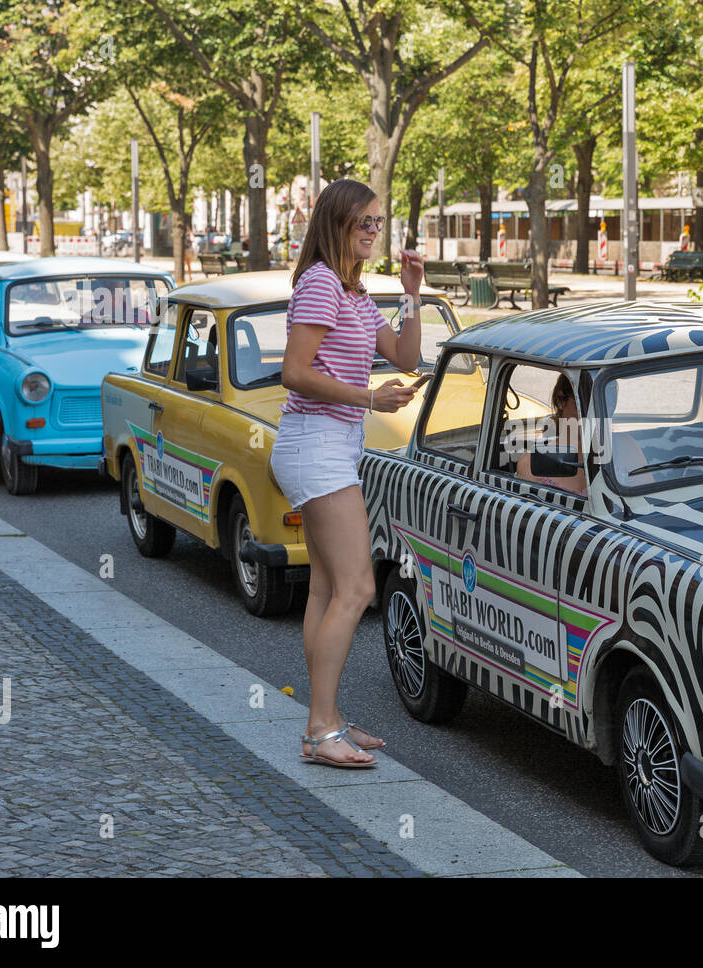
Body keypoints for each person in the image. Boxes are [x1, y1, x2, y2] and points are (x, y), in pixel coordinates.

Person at [271, 178, 423, 769]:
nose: (373, 232)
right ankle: (318, 730)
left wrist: (412, 293)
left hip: (328, 446)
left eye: (378, 224)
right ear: (336, 222)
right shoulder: (319, 284)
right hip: (317, 446)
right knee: (359, 587)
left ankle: (327, 719)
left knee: (327, 590)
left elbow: (406, 357)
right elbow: (292, 372)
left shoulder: (354, 291)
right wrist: (367, 398)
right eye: (364, 222)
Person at [517, 374, 588, 496]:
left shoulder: (626, 448)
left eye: (608, 397)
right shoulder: (530, 465)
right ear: (560, 401)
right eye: (584, 398)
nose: (594, 406)